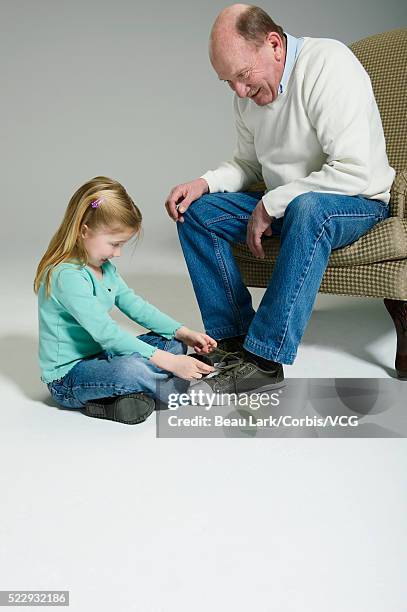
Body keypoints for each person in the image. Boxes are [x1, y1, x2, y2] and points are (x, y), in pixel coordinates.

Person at [165, 3, 394, 397]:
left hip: (355, 200)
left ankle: (266, 358)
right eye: (228, 83)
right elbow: (248, 165)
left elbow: (355, 169)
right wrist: (205, 182)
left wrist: (272, 204)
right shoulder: (248, 96)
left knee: (308, 208)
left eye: (242, 76)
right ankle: (234, 342)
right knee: (197, 213)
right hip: (288, 204)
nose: (239, 92)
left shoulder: (329, 64)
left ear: (273, 44)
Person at [34, 176, 217, 424]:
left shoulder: (104, 267)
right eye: (114, 244)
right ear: (83, 230)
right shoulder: (66, 276)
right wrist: (171, 363)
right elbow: (107, 333)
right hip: (69, 377)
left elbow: (136, 306)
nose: (117, 253)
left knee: (170, 341)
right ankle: (176, 388)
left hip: (103, 355)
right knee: (129, 370)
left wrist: (183, 332)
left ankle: (133, 392)